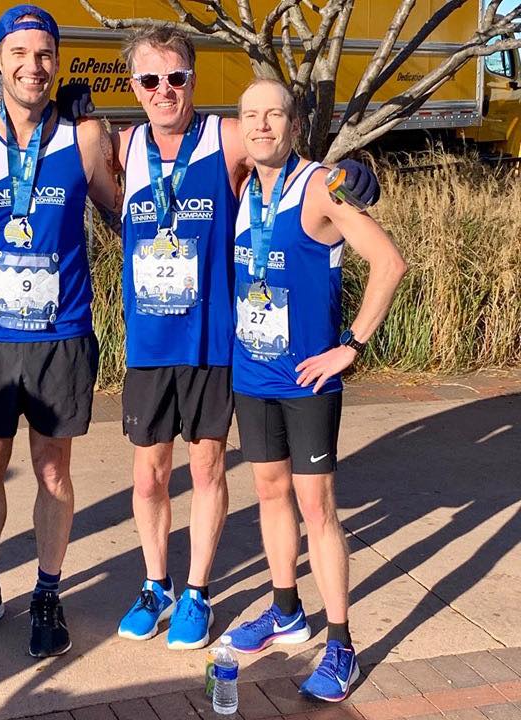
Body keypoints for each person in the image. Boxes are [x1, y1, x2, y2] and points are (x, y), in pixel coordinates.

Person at [113, 26, 380, 651]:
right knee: (150, 475)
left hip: (214, 344)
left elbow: (279, 147)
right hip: (150, 342)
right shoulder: (121, 145)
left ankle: (199, 594)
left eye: (175, 77)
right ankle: (157, 585)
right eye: (150, 80)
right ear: (135, 87)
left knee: (208, 466)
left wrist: (349, 172)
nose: (164, 90)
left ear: (193, 81)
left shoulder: (225, 135)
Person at [0, 4, 120, 658]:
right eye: (21, 53)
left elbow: (124, 212)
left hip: (60, 333)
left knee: (53, 471)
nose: (34, 67)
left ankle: (47, 590)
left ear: (56, 63)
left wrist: (116, 142)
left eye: (45, 55)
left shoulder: (82, 135)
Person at [224, 79, 406, 701]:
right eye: (251, 115)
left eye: (274, 114)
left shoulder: (320, 187)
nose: (262, 125)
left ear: (294, 124)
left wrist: (350, 348)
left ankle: (341, 644)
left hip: (307, 380)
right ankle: (284, 611)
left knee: (316, 508)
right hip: (251, 374)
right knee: (269, 494)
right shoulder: (242, 187)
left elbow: (389, 262)